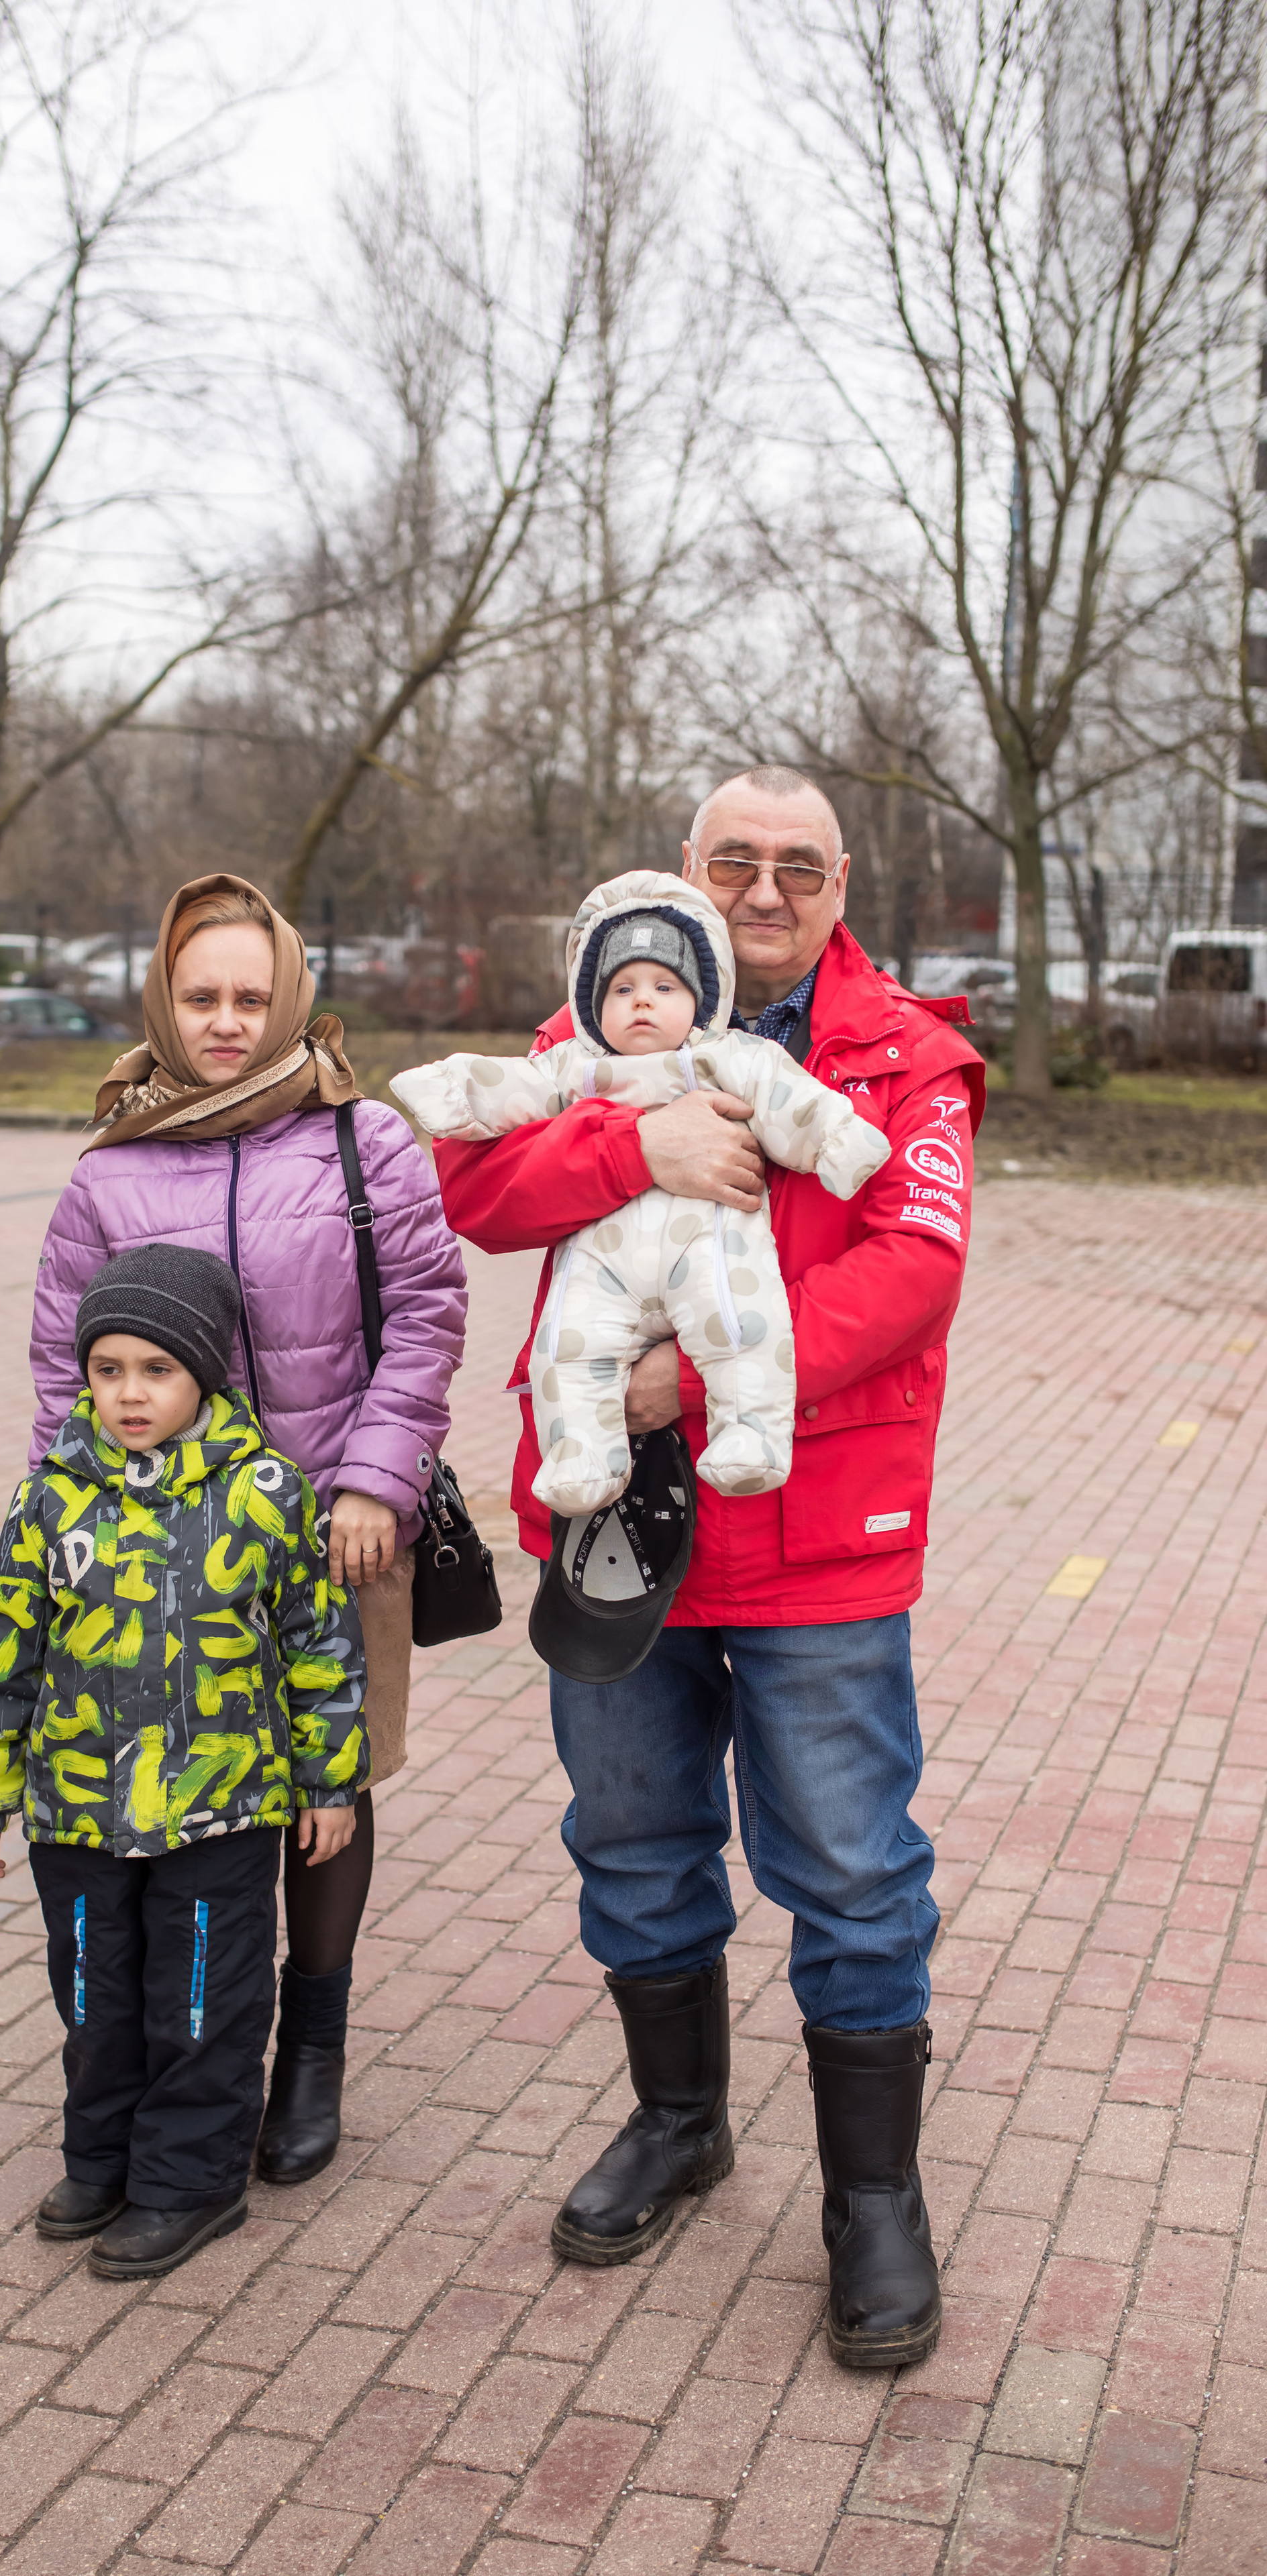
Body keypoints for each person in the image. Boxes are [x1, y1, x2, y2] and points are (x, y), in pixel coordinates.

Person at [434, 765, 984, 2371]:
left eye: (794, 866)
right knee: (630, 1838)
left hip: (811, 1527)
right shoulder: (588, 1019)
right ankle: (677, 2123)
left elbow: (916, 1262)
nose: (760, 889)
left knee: (849, 1865)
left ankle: (869, 2197)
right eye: (730, 858)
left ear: (837, 882)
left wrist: (706, 1378)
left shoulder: (911, 1055)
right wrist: (638, 1142)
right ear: (685, 866)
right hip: (611, 1529)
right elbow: (473, 1191)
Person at [29, 875, 467, 2184]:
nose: (226, 1022)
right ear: (164, 1002)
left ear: (290, 997)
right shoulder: (111, 1167)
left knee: (326, 1782)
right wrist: (74, 1525)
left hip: (336, 1532)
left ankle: (312, 2050)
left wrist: (372, 1483)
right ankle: (198, 2052)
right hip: (161, 1559)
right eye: (200, 997)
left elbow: (427, 1318)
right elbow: (66, 1365)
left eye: (250, 997)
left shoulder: (362, 1141)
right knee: (196, 1806)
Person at [0, 1244, 368, 2280]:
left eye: (156, 1370)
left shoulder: (268, 1493)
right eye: (108, 1369)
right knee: (95, 1993)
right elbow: (2, 1654)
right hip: (80, 1811)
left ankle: (190, 2182)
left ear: (204, 1374)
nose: (130, 1394)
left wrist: (330, 1782)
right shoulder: (47, 1499)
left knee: (202, 2003)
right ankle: (101, 2158)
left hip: (220, 1811)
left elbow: (321, 1647)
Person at [391, 868, 889, 1513]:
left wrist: (835, 1142)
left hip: (710, 1249)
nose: (643, 1002)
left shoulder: (731, 1058)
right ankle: (581, 1458)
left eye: (664, 986)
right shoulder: (574, 1064)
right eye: (622, 988)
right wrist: (454, 1091)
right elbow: (509, 1092)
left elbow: (792, 1104)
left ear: (703, 995)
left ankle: (751, 1437)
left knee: (742, 1327)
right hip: (604, 1264)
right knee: (567, 1347)